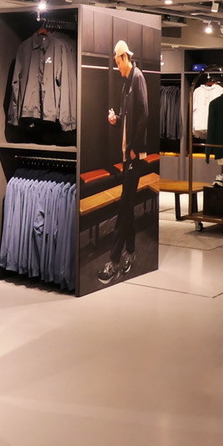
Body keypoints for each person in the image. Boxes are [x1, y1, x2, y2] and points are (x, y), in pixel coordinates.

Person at [99, 40, 148, 284]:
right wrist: (115, 119)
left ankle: (114, 259)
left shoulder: (137, 78)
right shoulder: (126, 84)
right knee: (127, 205)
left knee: (123, 206)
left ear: (124, 58)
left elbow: (144, 114)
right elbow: (126, 117)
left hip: (134, 156)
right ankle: (131, 251)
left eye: (117, 62)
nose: (117, 67)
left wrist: (135, 149)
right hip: (126, 153)